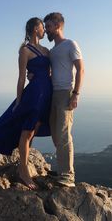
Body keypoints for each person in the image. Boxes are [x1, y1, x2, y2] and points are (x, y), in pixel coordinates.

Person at [0, 17, 52, 190]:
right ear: (35, 29)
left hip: (46, 93)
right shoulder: (25, 50)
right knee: (27, 131)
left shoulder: (47, 51)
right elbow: (21, 77)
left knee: (34, 130)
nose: (44, 30)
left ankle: (23, 164)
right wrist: (18, 101)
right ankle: (23, 171)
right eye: (42, 27)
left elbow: (51, 72)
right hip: (34, 94)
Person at [44, 12, 84, 187]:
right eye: (45, 27)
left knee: (63, 134)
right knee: (55, 134)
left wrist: (75, 94)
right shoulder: (52, 51)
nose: (46, 31)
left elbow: (80, 69)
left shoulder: (70, 44)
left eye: (49, 27)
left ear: (58, 26)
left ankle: (68, 176)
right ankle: (61, 171)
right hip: (52, 93)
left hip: (65, 92)